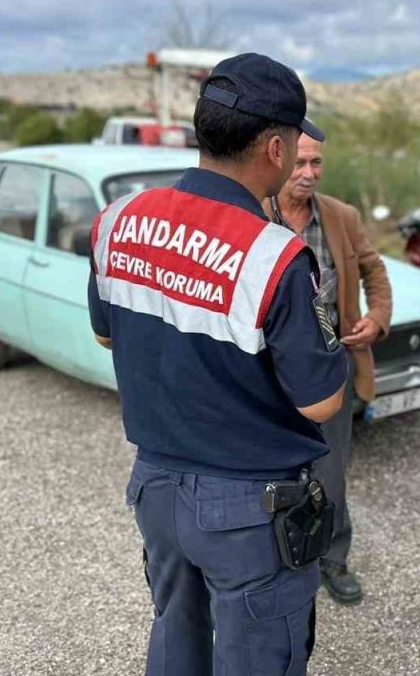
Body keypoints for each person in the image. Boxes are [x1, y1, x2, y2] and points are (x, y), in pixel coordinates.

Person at [88, 52, 348, 676]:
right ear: (277, 149)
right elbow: (321, 400)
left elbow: (106, 337)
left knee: (176, 639)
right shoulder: (274, 255)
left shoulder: (118, 221)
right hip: (248, 511)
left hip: (156, 489)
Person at [263, 129, 393, 605]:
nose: (309, 174)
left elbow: (375, 270)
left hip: (330, 366)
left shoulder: (341, 217)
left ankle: (333, 560)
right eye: (299, 164)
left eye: (316, 164)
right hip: (266, 373)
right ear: (278, 161)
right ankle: (274, 559)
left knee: (330, 471)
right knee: (268, 470)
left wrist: (376, 319)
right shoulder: (254, 214)